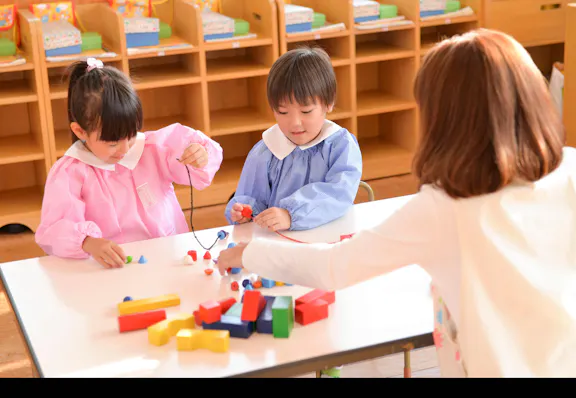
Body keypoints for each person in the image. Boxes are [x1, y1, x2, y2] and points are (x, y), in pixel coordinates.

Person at [216, 29, 576, 377]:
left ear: (446, 120)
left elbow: (335, 267)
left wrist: (249, 254)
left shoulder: (443, 208)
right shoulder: (570, 169)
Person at [35, 58, 223, 269]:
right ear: (80, 131)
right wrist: (87, 242)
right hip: (111, 268)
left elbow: (194, 163)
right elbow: (53, 230)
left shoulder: (153, 148)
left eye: (131, 135)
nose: (125, 149)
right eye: (113, 143)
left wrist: (199, 154)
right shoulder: (70, 173)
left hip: (167, 259)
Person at [224, 46, 362, 233]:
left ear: (328, 103)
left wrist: (291, 214)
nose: (295, 123)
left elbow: (338, 193)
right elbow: (250, 199)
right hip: (278, 243)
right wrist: (244, 212)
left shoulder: (340, 146)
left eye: (306, 111)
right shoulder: (265, 151)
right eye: (282, 112)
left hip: (329, 239)